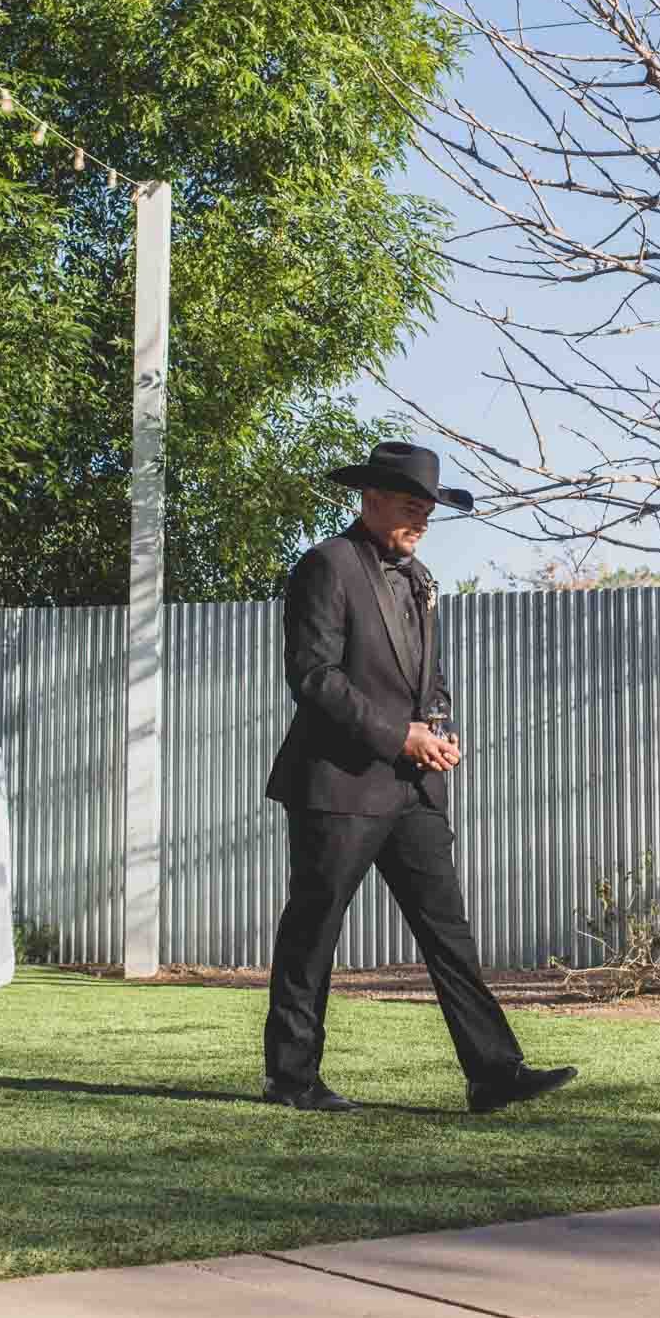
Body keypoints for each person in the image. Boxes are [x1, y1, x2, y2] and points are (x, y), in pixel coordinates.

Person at [263, 440, 578, 1114]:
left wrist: (433, 731)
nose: (423, 520)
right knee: (313, 932)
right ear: (370, 498)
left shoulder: (421, 578)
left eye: (430, 510)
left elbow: (427, 680)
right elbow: (313, 677)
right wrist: (392, 735)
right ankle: (292, 1079)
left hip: (413, 789)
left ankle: (493, 1072)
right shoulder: (326, 566)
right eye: (412, 506)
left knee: (449, 934)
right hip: (339, 785)